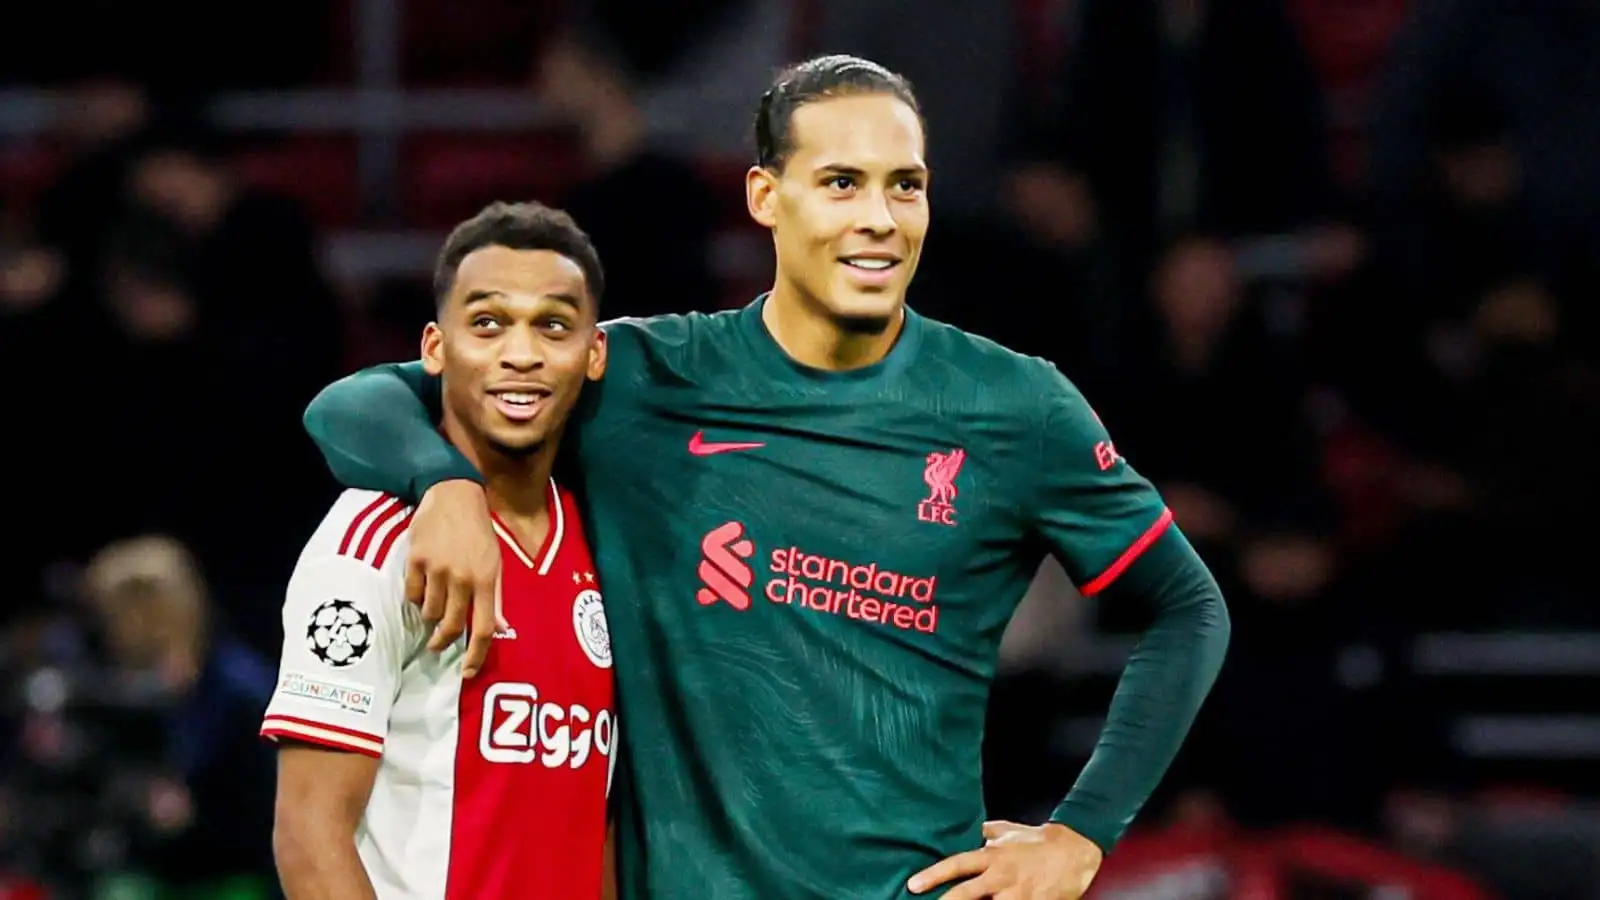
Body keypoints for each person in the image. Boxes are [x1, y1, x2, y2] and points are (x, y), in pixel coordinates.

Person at [301, 56, 1230, 900]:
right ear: (765, 195)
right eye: (840, 183)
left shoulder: (1014, 406)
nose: (878, 217)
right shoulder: (642, 382)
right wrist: (444, 483)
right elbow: (353, 402)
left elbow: (1188, 605)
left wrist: (1081, 832)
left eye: (904, 186)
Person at [265, 202, 616, 900]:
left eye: (552, 324)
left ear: (595, 351)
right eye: (487, 323)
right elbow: (308, 831)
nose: (520, 354)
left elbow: (595, 823)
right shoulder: (370, 542)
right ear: (433, 347)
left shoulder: (605, 538)